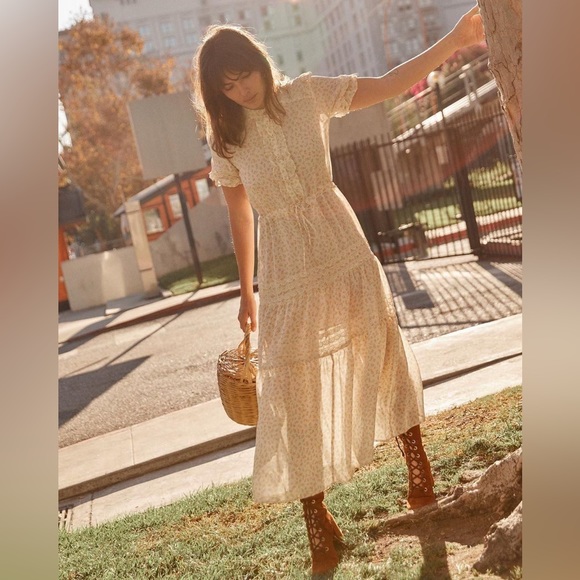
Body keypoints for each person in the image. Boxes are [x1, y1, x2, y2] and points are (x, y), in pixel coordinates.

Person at [192, 6, 485, 575]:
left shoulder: (307, 95)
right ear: (216, 93)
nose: (242, 90)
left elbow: (390, 83)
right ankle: (315, 517)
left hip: (341, 246)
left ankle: (418, 471)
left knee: (382, 353)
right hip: (284, 267)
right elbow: (240, 215)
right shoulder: (227, 142)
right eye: (227, 86)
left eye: (245, 75)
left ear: (259, 63)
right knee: (292, 385)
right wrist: (247, 292)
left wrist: (455, 39)